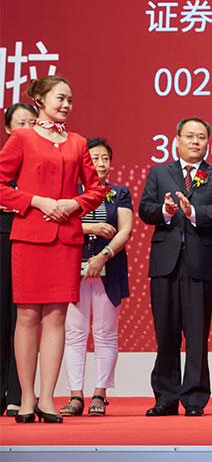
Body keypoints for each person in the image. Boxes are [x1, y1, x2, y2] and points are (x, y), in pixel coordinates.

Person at [0, 76, 107, 424]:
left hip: (66, 239)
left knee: (57, 317)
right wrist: (37, 201)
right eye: (60, 98)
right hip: (30, 236)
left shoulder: (78, 143)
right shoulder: (22, 138)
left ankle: (47, 397)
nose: (66, 105)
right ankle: (25, 398)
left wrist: (74, 204)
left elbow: (96, 190)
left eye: (70, 100)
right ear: (40, 101)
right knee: (28, 316)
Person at [138, 117, 212, 417]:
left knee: (197, 334)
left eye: (201, 137)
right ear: (177, 139)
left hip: (201, 263)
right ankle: (165, 398)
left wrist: (193, 212)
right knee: (165, 333)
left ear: (208, 142)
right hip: (165, 264)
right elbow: (145, 210)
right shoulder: (159, 172)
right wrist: (165, 212)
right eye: (190, 136)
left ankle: (194, 399)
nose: (195, 142)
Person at [59, 138, 133, 417]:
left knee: (106, 333)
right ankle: (75, 396)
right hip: (72, 270)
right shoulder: (69, 193)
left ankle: (100, 394)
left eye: (105, 158)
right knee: (74, 334)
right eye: (94, 159)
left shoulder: (120, 193)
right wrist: (90, 227)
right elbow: (60, 224)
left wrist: (103, 255)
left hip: (109, 269)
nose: (101, 164)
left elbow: (125, 230)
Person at [0, 102, 37, 417]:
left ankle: (18, 394)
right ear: (8, 129)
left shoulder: (40, 163)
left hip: (28, 242)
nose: (26, 128)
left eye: (31, 123)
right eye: (20, 123)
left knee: (22, 319)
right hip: (1, 240)